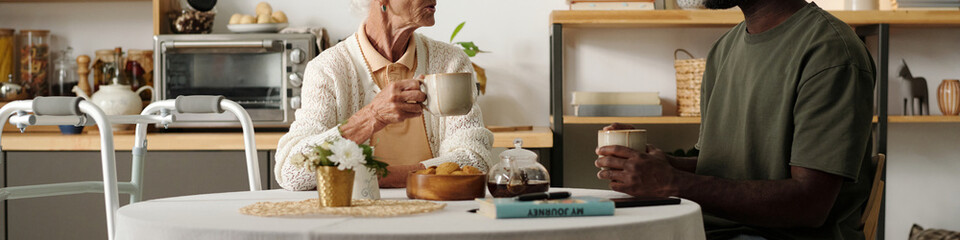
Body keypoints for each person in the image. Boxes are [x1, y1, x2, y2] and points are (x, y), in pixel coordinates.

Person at [595, 0, 876, 239]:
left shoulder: (831, 52)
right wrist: (661, 164)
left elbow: (810, 204)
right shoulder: (724, 50)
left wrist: (672, 182)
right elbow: (728, 166)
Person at [274, 0, 493, 190]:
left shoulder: (450, 61)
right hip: (357, 215)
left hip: (435, 205)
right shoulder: (328, 69)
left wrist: (380, 177)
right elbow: (292, 172)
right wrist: (370, 117)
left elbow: (475, 159)